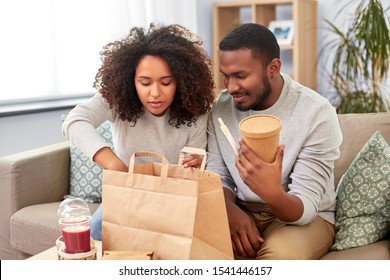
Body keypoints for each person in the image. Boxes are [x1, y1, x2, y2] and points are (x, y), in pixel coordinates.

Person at [62, 23, 215, 241]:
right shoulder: (116, 100)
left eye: (166, 82)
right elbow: (74, 121)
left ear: (180, 82)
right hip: (128, 193)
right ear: (130, 80)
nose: (155, 93)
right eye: (144, 82)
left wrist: (195, 164)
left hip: (174, 196)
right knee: (97, 230)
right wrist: (113, 164)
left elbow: (195, 166)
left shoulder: (197, 111)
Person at [206, 23, 343, 259]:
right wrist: (230, 212)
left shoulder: (316, 113)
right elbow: (217, 175)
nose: (231, 87)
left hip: (302, 217)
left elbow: (307, 207)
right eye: (225, 76)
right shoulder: (221, 107)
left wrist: (271, 193)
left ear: (273, 67)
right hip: (241, 209)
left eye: (240, 76)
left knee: (279, 258)